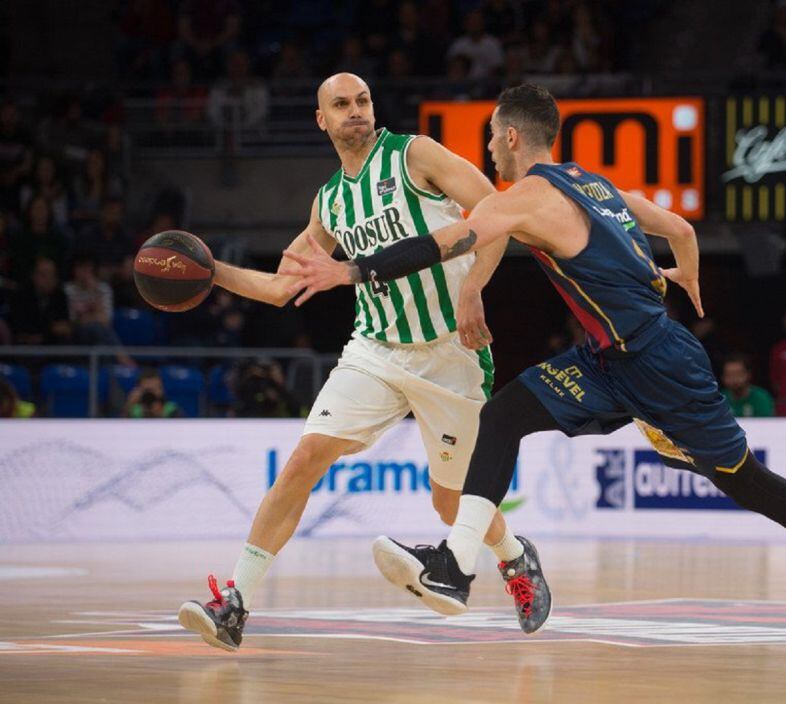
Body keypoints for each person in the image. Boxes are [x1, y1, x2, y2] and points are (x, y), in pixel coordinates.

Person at [283, 83, 786, 646]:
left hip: (660, 361)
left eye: (492, 135)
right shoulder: (597, 184)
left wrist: (352, 269)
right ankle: (455, 564)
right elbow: (681, 228)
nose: (489, 148)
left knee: (743, 481)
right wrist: (683, 272)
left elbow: (446, 242)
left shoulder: (525, 195)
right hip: (607, 361)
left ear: (513, 136)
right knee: (501, 418)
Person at [177, 73, 533, 651]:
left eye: (362, 100)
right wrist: (210, 270)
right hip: (374, 349)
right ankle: (234, 604)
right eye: (341, 104)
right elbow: (278, 288)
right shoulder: (331, 201)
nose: (355, 111)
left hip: (449, 351)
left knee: (450, 501)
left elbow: (498, 214)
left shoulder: (415, 154)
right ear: (322, 119)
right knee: (304, 458)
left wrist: (473, 291)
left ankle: (514, 556)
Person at [721, 353, 775, 418]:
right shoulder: (719, 400)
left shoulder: (761, 398)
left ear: (748, 374)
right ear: (723, 377)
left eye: (738, 374)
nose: (734, 379)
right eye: (729, 375)